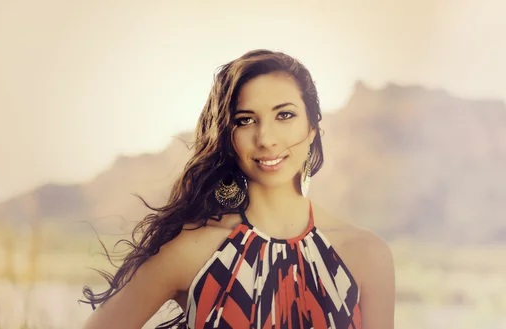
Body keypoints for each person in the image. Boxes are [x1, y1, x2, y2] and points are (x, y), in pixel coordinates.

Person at [81, 49, 395, 329]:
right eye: (245, 121)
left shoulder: (366, 254)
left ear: (312, 127)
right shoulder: (194, 252)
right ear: (228, 137)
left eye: (284, 115)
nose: (266, 138)